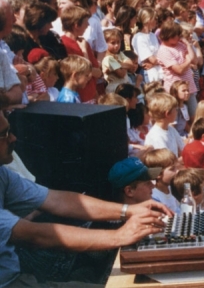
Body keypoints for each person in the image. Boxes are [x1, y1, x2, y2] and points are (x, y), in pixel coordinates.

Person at [0, 116, 172, 288]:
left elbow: (58, 200)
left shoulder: (3, 174)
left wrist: (128, 210)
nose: (13, 138)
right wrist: (120, 235)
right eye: (4, 134)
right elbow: (34, 235)